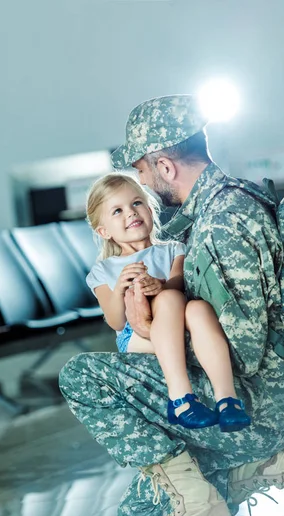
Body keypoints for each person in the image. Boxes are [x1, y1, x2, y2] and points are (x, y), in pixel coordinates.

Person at [59, 95, 284, 516]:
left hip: (252, 402)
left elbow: (242, 346)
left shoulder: (222, 222)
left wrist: (148, 328)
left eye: (142, 173)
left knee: (81, 375)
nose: (142, 186)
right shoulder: (211, 212)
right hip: (258, 394)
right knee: (140, 512)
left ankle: (201, 513)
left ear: (165, 167)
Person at [85, 172, 251, 431]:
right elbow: (115, 321)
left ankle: (227, 400)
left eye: (137, 203)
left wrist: (159, 286)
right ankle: (181, 398)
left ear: (151, 210)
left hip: (179, 321)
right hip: (137, 336)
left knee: (197, 307)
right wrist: (120, 289)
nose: (131, 213)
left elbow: (179, 287)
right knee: (172, 298)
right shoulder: (103, 271)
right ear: (104, 231)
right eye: (117, 210)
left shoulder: (174, 250)